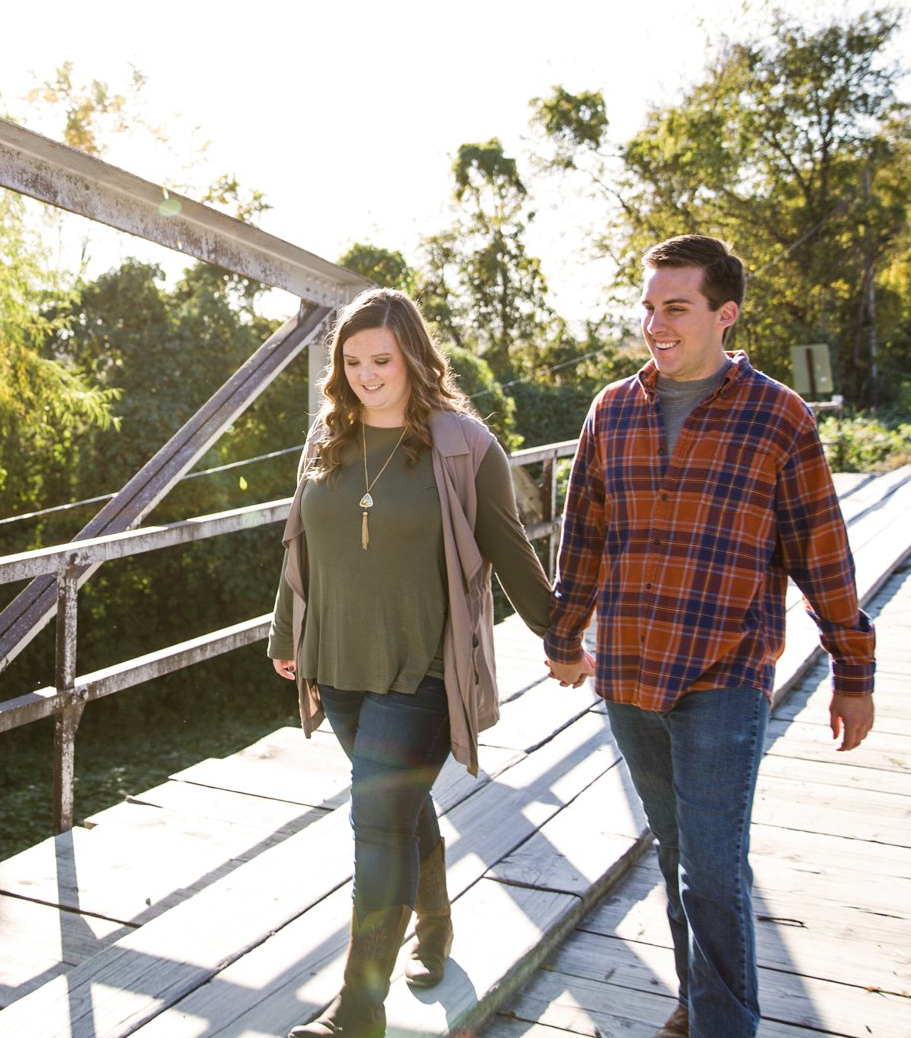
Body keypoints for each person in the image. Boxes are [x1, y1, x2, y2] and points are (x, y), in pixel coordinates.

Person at [543, 235, 876, 1038]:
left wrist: (853, 670)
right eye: (649, 306)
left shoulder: (779, 418)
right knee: (673, 852)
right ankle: (700, 1003)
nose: (655, 322)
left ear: (725, 314)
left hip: (724, 675)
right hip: (628, 673)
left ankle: (726, 1025)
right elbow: (582, 536)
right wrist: (565, 637)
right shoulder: (610, 409)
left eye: (676, 307)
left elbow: (821, 553)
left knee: (713, 869)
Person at [269, 288, 554, 1038]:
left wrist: (559, 633)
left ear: (414, 357)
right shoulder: (327, 436)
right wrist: (283, 634)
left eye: (382, 360)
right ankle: (434, 928)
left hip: (424, 666)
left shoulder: (462, 443)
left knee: (377, 813)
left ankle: (357, 1009)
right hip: (339, 660)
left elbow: (507, 546)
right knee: (393, 800)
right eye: (353, 361)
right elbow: (301, 543)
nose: (366, 374)